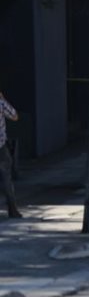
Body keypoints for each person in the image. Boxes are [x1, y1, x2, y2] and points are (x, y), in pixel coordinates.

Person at [0, 87, 21, 218]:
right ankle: (12, 210)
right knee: (6, 178)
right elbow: (14, 116)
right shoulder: (0, 102)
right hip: (0, 146)